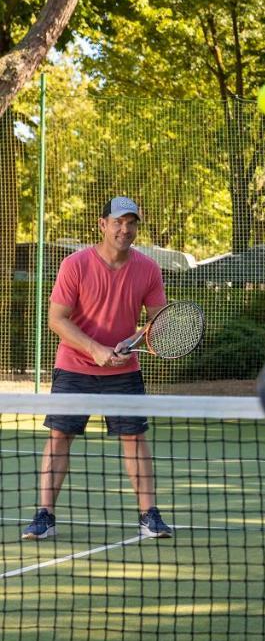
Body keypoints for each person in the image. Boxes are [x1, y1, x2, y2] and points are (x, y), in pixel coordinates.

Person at [22, 196, 175, 541]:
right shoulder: (75, 264)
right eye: (118, 222)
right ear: (102, 224)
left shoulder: (148, 269)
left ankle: (149, 516)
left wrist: (130, 342)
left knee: (135, 439)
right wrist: (95, 348)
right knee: (60, 437)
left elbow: (159, 324)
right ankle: (44, 515)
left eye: (131, 222)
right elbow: (56, 320)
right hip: (74, 367)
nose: (125, 229)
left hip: (124, 372)